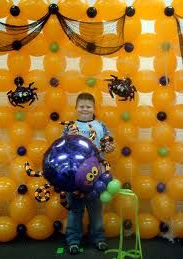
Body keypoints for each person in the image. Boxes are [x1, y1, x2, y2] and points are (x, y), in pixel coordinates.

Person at [62, 92, 115, 255]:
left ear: (94, 108)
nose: (85, 109)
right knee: (74, 211)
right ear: (76, 108)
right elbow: (62, 148)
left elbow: (109, 143)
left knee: (95, 210)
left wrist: (110, 147)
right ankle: (73, 241)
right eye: (82, 106)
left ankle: (98, 239)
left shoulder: (101, 126)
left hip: (96, 177)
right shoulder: (70, 126)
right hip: (73, 177)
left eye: (88, 107)